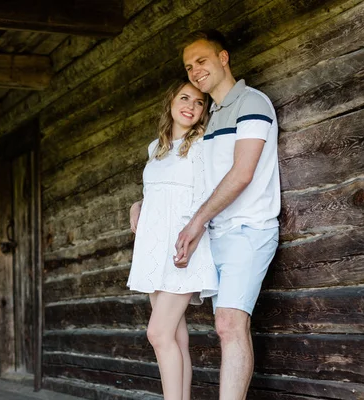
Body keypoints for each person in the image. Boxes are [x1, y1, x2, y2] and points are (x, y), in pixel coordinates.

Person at [131, 30, 280, 400]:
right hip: (210, 234)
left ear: (223, 57)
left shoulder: (252, 103)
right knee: (191, 331)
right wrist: (139, 206)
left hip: (246, 229)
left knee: (226, 324)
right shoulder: (211, 121)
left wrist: (195, 222)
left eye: (202, 61)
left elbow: (242, 173)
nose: (195, 71)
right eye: (188, 67)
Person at [127, 79, 219, 400]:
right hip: (154, 250)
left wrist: (193, 235)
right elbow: (154, 192)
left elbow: (207, 196)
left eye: (199, 103)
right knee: (176, 339)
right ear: (170, 102)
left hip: (185, 246)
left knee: (158, 333)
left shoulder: (203, 144)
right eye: (185, 98)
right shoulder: (156, 148)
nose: (191, 107)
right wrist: (136, 205)